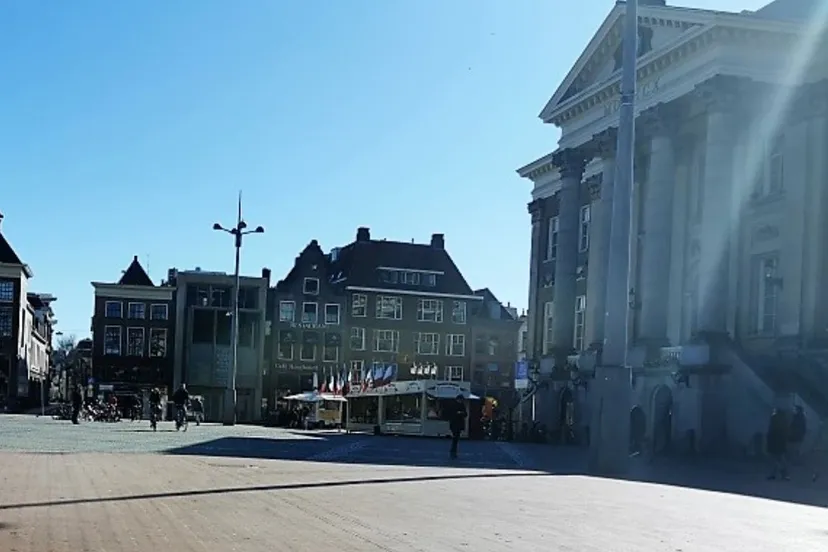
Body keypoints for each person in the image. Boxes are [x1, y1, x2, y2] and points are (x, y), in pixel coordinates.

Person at [767, 408, 789, 480]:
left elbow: (771, 430)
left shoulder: (774, 418)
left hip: (774, 441)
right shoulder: (784, 419)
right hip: (781, 441)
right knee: (781, 458)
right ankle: (783, 473)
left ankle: (777, 473)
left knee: (774, 458)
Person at [448, 394, 467, 460]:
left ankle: (453, 451)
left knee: (456, 438)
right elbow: (452, 414)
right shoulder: (454, 405)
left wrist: (461, 413)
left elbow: (465, 414)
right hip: (455, 423)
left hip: (457, 424)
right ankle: (453, 451)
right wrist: (459, 413)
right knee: (455, 438)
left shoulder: (461, 405)